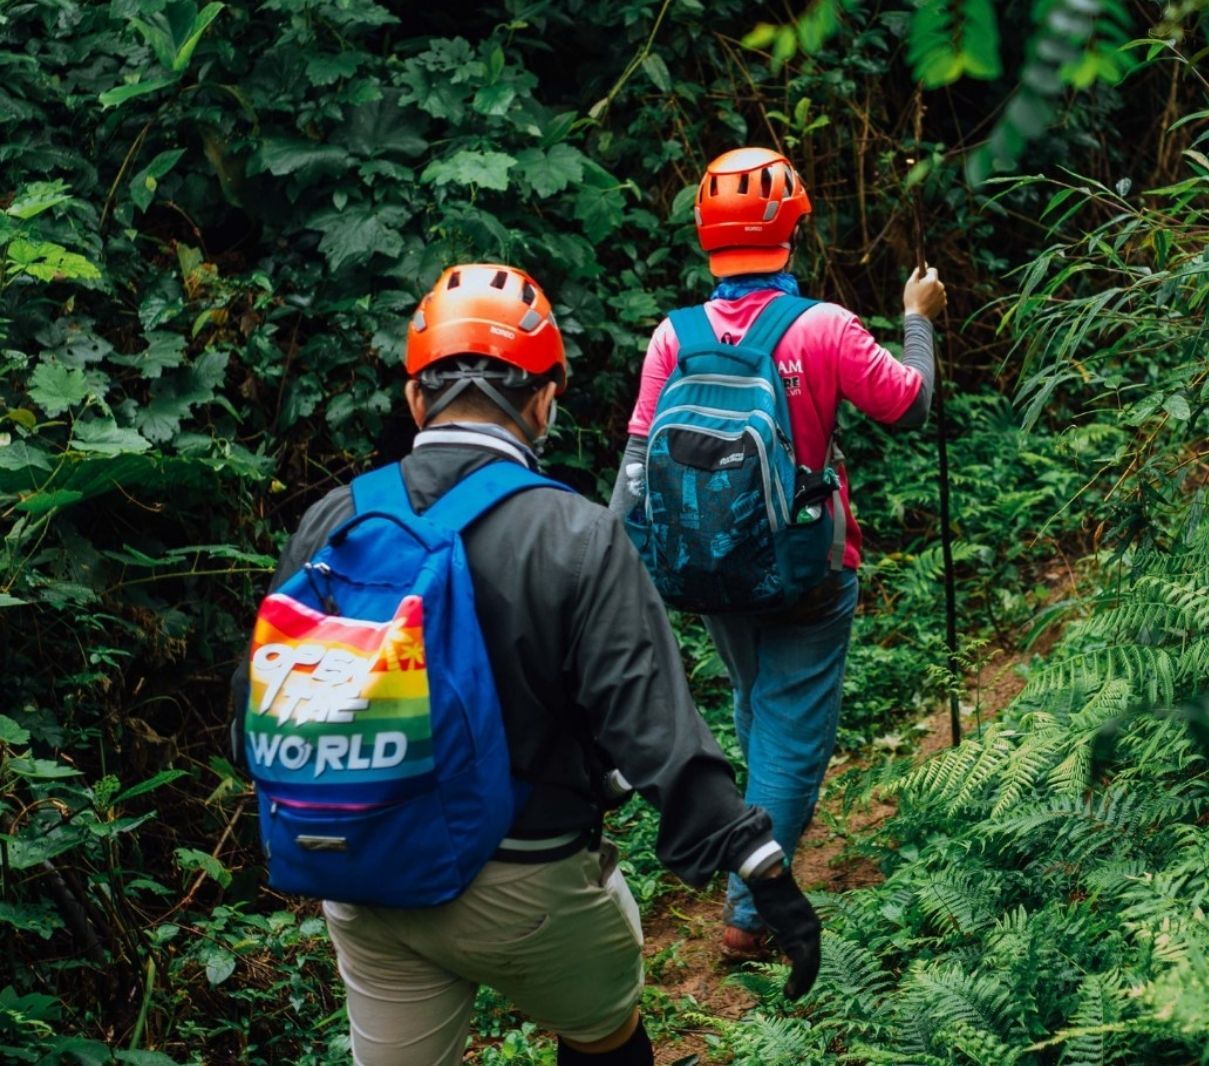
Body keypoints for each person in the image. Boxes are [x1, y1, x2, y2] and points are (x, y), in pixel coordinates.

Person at [234, 263, 821, 1066]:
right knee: (603, 1030)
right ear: (547, 398)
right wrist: (756, 862)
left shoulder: (331, 519)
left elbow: (250, 713)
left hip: (361, 876)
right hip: (526, 887)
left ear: (414, 400)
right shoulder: (575, 533)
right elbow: (653, 728)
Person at [608, 148, 947, 955]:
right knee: (793, 730)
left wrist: (620, 574)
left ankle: (747, 850)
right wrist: (919, 318)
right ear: (790, 230)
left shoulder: (673, 336)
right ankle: (751, 912)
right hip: (806, 571)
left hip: (709, 567)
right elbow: (910, 406)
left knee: (759, 705)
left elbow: (634, 467)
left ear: (705, 236)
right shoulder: (823, 327)